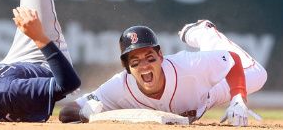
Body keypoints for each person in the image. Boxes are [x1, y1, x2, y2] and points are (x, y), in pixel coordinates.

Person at [59, 20, 267, 127]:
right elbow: (66, 112)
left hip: (209, 91)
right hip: (201, 101)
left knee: (258, 75)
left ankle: (202, 32)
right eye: (135, 62)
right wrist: (86, 112)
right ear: (127, 67)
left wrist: (239, 96)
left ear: (160, 56)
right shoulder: (117, 88)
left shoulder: (188, 65)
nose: (145, 66)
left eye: (150, 58)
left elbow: (232, 59)